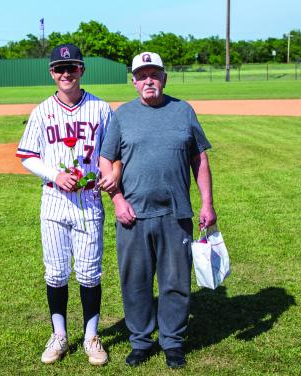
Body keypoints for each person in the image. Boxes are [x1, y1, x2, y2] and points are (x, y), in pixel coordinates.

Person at [99, 51, 217, 369]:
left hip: (175, 214)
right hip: (132, 216)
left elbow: (200, 159)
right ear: (134, 82)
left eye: (154, 74)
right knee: (135, 281)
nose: (148, 80)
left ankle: (173, 342)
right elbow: (106, 160)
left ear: (164, 78)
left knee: (175, 281)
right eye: (142, 75)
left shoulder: (183, 111)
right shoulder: (122, 115)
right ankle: (140, 341)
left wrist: (207, 203)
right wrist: (117, 200)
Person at [16, 43, 119, 366]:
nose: (65, 73)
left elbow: (114, 152)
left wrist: (113, 175)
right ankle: (59, 334)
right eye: (59, 69)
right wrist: (54, 175)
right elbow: (26, 155)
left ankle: (91, 336)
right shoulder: (42, 111)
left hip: (89, 201)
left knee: (89, 274)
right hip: (54, 201)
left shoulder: (101, 109)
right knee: (57, 273)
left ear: (82, 70)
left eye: (71, 67)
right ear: (51, 73)